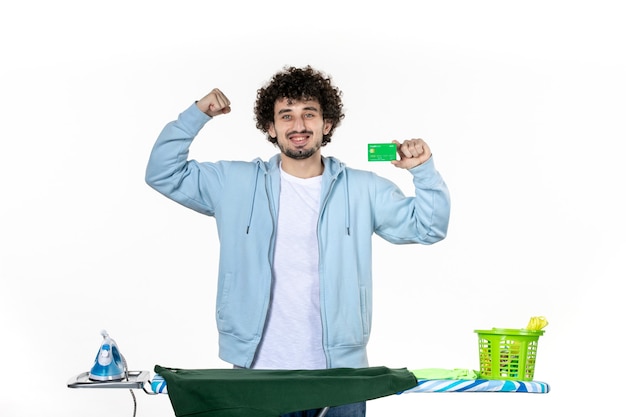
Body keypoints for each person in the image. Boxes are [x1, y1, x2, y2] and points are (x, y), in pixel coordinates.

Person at [145, 65, 451, 417]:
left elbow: (429, 227)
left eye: (309, 113)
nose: (299, 125)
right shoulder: (234, 182)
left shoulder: (363, 189)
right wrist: (195, 115)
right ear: (271, 128)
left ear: (327, 124)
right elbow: (162, 172)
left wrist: (423, 170)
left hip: (341, 378)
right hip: (256, 375)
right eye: (286, 115)